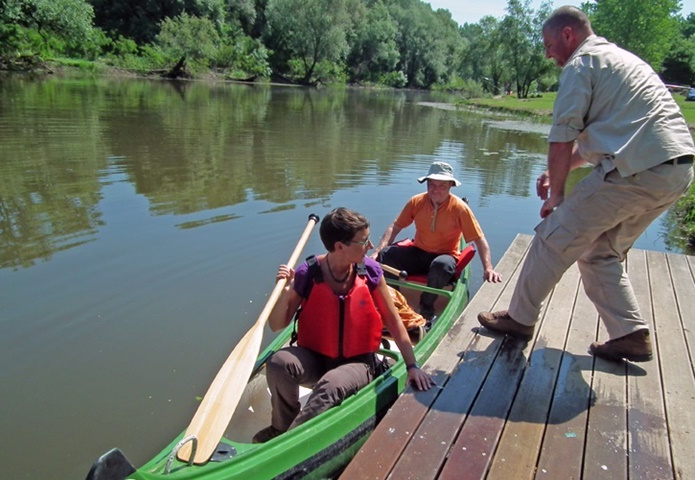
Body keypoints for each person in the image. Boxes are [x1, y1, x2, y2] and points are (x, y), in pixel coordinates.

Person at [477, 6, 695, 363]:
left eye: (548, 44)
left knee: (553, 235)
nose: (547, 54)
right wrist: (557, 173)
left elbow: (562, 137)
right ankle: (630, 334)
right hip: (675, 171)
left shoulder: (581, 64)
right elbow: (607, 137)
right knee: (599, 251)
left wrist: (557, 195)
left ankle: (519, 319)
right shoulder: (620, 59)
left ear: (568, 34)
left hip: (636, 170)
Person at [252, 207, 434, 443]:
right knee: (278, 363)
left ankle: (287, 443)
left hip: (358, 363)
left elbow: (393, 321)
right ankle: (281, 426)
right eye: (363, 241)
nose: (370, 246)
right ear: (339, 246)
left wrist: (412, 366)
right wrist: (286, 291)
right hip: (316, 358)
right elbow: (277, 325)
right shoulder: (309, 272)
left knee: (331, 384)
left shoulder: (370, 271)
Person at [370, 161, 502, 320]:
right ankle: (393, 301)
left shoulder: (460, 208)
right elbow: (395, 226)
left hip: (445, 255)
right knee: (385, 255)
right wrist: (377, 251)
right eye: (432, 185)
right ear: (426, 184)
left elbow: (479, 240)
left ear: (450, 186)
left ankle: (426, 307)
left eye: (442, 186)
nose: (435, 190)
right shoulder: (416, 201)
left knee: (441, 265)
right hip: (419, 252)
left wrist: (488, 268)